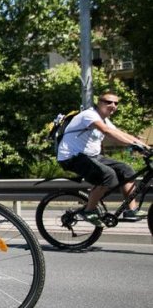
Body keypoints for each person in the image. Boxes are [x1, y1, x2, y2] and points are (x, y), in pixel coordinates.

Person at [57, 91, 150, 225]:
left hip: (92, 156)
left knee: (126, 170)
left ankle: (131, 210)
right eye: (108, 102)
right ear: (99, 102)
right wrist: (132, 145)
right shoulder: (89, 115)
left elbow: (118, 133)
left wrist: (144, 146)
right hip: (71, 157)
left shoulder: (104, 119)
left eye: (116, 103)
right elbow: (107, 131)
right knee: (108, 175)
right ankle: (88, 210)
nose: (113, 105)